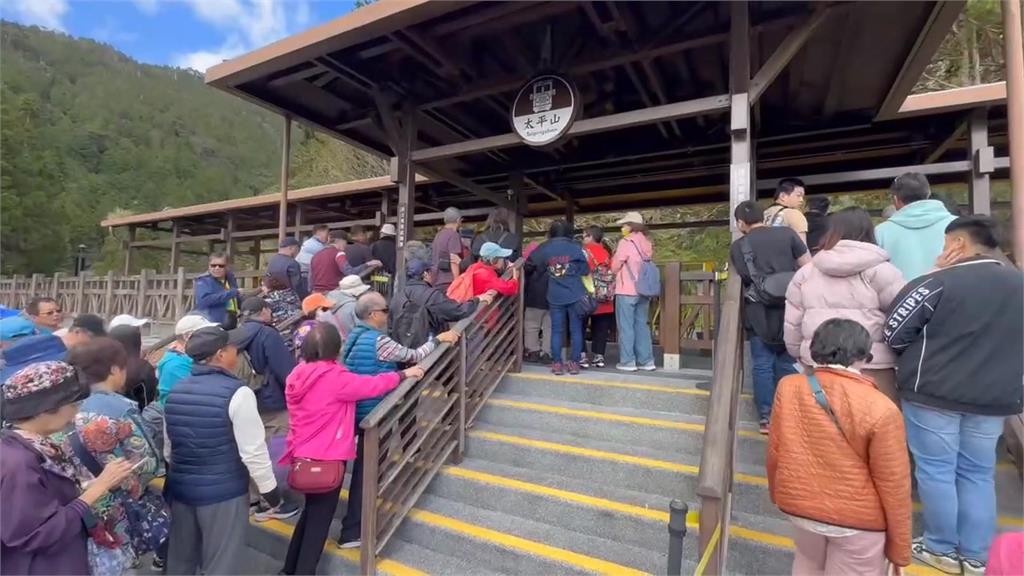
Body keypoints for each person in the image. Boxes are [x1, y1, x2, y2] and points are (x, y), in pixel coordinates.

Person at [884, 215, 1023, 575]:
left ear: (958, 244)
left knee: (936, 471)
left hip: (933, 393)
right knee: (979, 472)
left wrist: (930, 273)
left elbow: (894, 331)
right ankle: (976, 555)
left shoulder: (937, 283)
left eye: (946, 244)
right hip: (994, 397)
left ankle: (941, 547)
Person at [767, 319, 911, 575]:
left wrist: (779, 493)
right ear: (864, 355)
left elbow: (776, 449)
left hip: (800, 505)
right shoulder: (882, 407)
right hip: (857, 519)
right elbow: (894, 483)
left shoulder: (788, 388)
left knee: (806, 564)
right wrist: (899, 548)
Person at [280, 323, 423, 575]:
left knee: (309, 515)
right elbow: (371, 386)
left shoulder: (298, 373)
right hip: (326, 459)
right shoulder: (334, 377)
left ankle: (289, 569)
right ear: (337, 348)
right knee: (318, 523)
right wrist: (403, 375)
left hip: (301, 455)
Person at [336, 292, 459, 548]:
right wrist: (438, 339)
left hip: (357, 411)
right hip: (376, 412)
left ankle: (356, 523)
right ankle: (353, 529)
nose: (388, 314)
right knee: (367, 473)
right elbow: (412, 355)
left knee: (365, 469)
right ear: (373, 314)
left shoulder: (352, 338)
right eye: (385, 310)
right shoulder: (378, 341)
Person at [164, 326, 288, 575]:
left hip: (181, 490)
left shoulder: (177, 390)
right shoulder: (238, 393)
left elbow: (169, 448)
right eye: (234, 349)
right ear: (220, 355)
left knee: (181, 560)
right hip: (224, 494)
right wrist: (270, 491)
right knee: (221, 562)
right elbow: (253, 451)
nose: (237, 354)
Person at [1, 361, 134, 576]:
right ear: (46, 408)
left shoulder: (31, 444)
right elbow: (37, 534)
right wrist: (96, 490)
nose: (77, 412)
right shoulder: (19, 463)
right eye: (73, 405)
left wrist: (100, 484)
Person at [64, 338, 169, 574]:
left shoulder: (64, 406)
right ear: (113, 369)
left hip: (72, 501)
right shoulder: (118, 409)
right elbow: (148, 461)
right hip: (114, 504)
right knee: (115, 559)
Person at [784, 207, 906, 403]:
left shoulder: (806, 273)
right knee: (877, 426)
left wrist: (799, 353)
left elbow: (793, 322)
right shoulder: (884, 272)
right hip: (872, 365)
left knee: (823, 427)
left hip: (818, 364)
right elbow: (904, 318)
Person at [730, 201, 811, 434]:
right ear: (763, 217)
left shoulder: (739, 246)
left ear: (740, 223)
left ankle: (766, 417)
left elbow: (744, 277)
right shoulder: (787, 234)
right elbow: (808, 267)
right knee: (788, 360)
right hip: (791, 307)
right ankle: (788, 413)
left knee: (762, 364)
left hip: (758, 311)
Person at [527, 220, 589, 375]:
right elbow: (585, 270)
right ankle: (574, 363)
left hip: (555, 295)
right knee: (576, 330)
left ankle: (557, 363)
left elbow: (530, 265)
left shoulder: (545, 247)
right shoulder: (576, 247)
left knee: (556, 330)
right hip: (575, 294)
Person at [391, 258, 495, 346]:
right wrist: (477, 300)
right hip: (427, 347)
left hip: (402, 348)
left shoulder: (397, 297)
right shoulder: (432, 295)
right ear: (425, 274)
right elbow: (458, 311)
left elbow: (390, 326)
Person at [234, 297, 296, 443]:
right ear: (264, 311)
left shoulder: (236, 334)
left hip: (245, 397)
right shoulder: (267, 334)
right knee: (277, 446)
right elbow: (284, 370)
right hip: (271, 399)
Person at [875, 172, 955, 281]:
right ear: (928, 193)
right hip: (950, 295)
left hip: (900, 296)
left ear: (895, 199)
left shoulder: (881, 232)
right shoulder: (957, 225)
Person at [611, 211, 657, 372]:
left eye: (624, 225)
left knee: (626, 326)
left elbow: (616, 265)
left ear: (631, 226)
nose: (622, 227)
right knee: (642, 325)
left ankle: (628, 361)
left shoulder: (626, 242)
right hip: (644, 290)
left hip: (626, 290)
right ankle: (647, 361)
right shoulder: (647, 242)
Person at [0, 315, 104, 381]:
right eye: (92, 338)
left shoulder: (45, 339)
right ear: (77, 332)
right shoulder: (65, 357)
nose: (94, 343)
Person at [156, 314, 218, 405]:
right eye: (205, 334)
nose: (209, 337)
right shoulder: (176, 365)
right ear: (187, 336)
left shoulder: (186, 358)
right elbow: (195, 397)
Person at [581, 226, 615, 368]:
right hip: (605, 296)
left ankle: (582, 355)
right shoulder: (607, 252)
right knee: (601, 328)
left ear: (590, 236)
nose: (582, 239)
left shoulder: (583, 252)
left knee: (580, 326)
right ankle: (599, 356)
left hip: (586, 294)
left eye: (583, 236)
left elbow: (581, 270)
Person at [109, 324, 159, 409]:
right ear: (138, 342)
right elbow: (148, 401)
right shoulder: (143, 367)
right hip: (134, 417)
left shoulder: (103, 364)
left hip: (101, 417)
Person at [523, 240, 553, 364]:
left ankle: (532, 351)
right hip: (551, 299)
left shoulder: (531, 264)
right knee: (549, 327)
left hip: (534, 298)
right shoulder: (554, 263)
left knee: (531, 326)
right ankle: (547, 352)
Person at [194, 252, 241, 329]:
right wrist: (231, 293)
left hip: (231, 319)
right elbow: (204, 300)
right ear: (208, 266)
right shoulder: (203, 281)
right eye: (213, 265)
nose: (217, 268)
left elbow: (237, 298)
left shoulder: (230, 278)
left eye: (221, 266)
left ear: (227, 266)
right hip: (211, 322)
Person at [764, 178, 809, 245]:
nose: (801, 200)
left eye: (802, 196)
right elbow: (802, 247)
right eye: (798, 195)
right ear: (783, 196)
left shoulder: (763, 213)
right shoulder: (794, 214)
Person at [326, 275, 371, 340]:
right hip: (352, 345)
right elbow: (363, 330)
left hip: (335, 344)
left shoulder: (329, 302)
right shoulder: (354, 306)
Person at [431, 207, 465, 290]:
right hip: (448, 281)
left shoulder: (438, 235)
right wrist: (457, 283)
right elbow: (454, 260)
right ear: (458, 220)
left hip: (436, 279)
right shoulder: (453, 235)